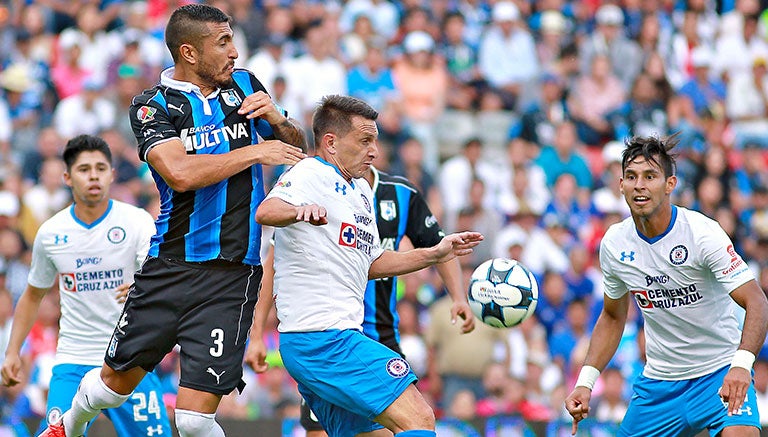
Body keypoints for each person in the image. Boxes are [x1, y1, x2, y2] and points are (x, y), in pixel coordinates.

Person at [36, 5, 307, 437]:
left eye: (232, 39)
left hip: (233, 276)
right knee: (111, 388)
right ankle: (68, 424)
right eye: (223, 43)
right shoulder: (151, 105)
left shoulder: (246, 85)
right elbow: (179, 175)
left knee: (195, 421)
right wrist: (255, 151)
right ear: (190, 53)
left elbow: (296, 149)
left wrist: (277, 120)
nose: (235, 52)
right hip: (170, 267)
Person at [255, 94, 483, 437]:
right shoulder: (309, 173)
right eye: (364, 140)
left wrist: (434, 253)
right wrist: (298, 211)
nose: (374, 150)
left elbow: (375, 263)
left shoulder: (360, 191)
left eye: (375, 140)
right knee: (420, 417)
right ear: (330, 143)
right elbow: (266, 211)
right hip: (324, 341)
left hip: (330, 341)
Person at [565, 135, 768, 436]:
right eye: (631, 177)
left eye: (650, 176)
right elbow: (612, 316)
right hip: (660, 385)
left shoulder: (702, 234)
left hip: (720, 373)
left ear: (670, 184)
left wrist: (741, 364)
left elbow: (757, 301)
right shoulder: (615, 244)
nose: (640, 185)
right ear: (621, 185)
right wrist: (585, 382)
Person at [0, 134, 171, 436]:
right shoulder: (52, 233)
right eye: (84, 169)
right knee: (57, 433)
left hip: (131, 358)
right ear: (67, 177)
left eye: (100, 168)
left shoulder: (137, 221)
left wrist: (142, 284)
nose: (93, 175)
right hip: (74, 360)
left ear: (112, 174)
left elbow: (160, 274)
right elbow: (32, 295)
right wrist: (12, 351)